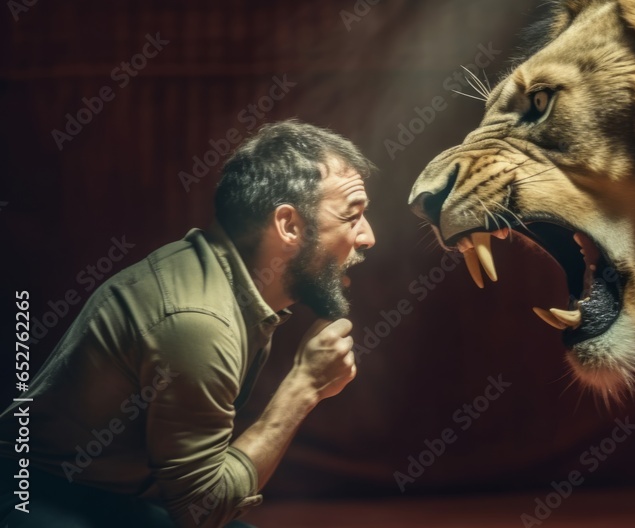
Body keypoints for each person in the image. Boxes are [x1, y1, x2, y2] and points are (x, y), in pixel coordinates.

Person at [0, 120, 377, 527]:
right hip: (31, 497)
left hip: (104, 496)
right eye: (352, 216)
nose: (367, 237)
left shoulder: (229, 284)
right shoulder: (199, 320)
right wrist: (304, 386)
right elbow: (202, 511)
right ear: (288, 226)